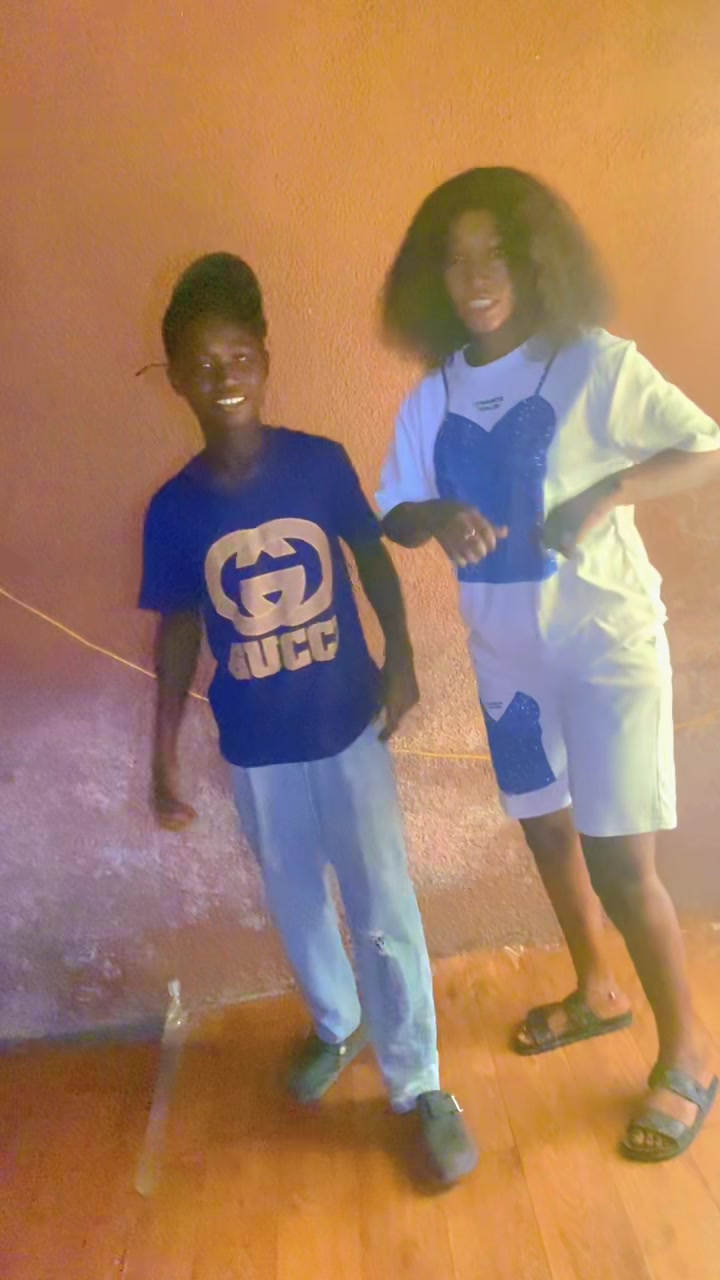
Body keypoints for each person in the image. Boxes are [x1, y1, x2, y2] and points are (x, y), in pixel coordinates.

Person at [376, 167, 720, 1162]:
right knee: (546, 828)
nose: (477, 275)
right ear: (434, 278)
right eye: (457, 259)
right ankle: (597, 989)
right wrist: (439, 516)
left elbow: (703, 447)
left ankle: (690, 1051)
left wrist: (608, 492)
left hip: (607, 649)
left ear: (536, 262)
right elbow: (395, 510)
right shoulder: (434, 395)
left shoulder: (592, 363)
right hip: (506, 657)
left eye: (498, 253)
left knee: (619, 858)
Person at [138, 252, 478, 1185]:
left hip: (346, 729)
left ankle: (419, 1083)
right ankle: (339, 1022)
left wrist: (401, 656)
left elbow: (370, 557)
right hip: (257, 748)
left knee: (381, 904)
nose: (225, 378)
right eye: (203, 365)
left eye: (239, 357)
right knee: (295, 900)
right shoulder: (174, 510)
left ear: (265, 357)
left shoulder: (318, 464)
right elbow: (178, 628)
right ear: (177, 380)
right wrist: (162, 751)